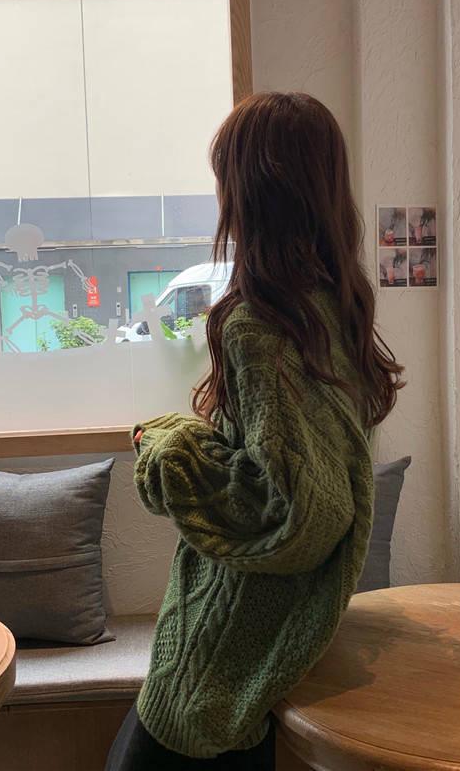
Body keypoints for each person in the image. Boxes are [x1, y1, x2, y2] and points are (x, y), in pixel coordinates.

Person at [105, 91, 404, 770]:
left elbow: (292, 508)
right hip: (273, 634)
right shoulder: (334, 308)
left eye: (225, 179)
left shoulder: (258, 325)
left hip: (225, 639)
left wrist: (171, 447)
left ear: (254, 193)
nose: (220, 198)